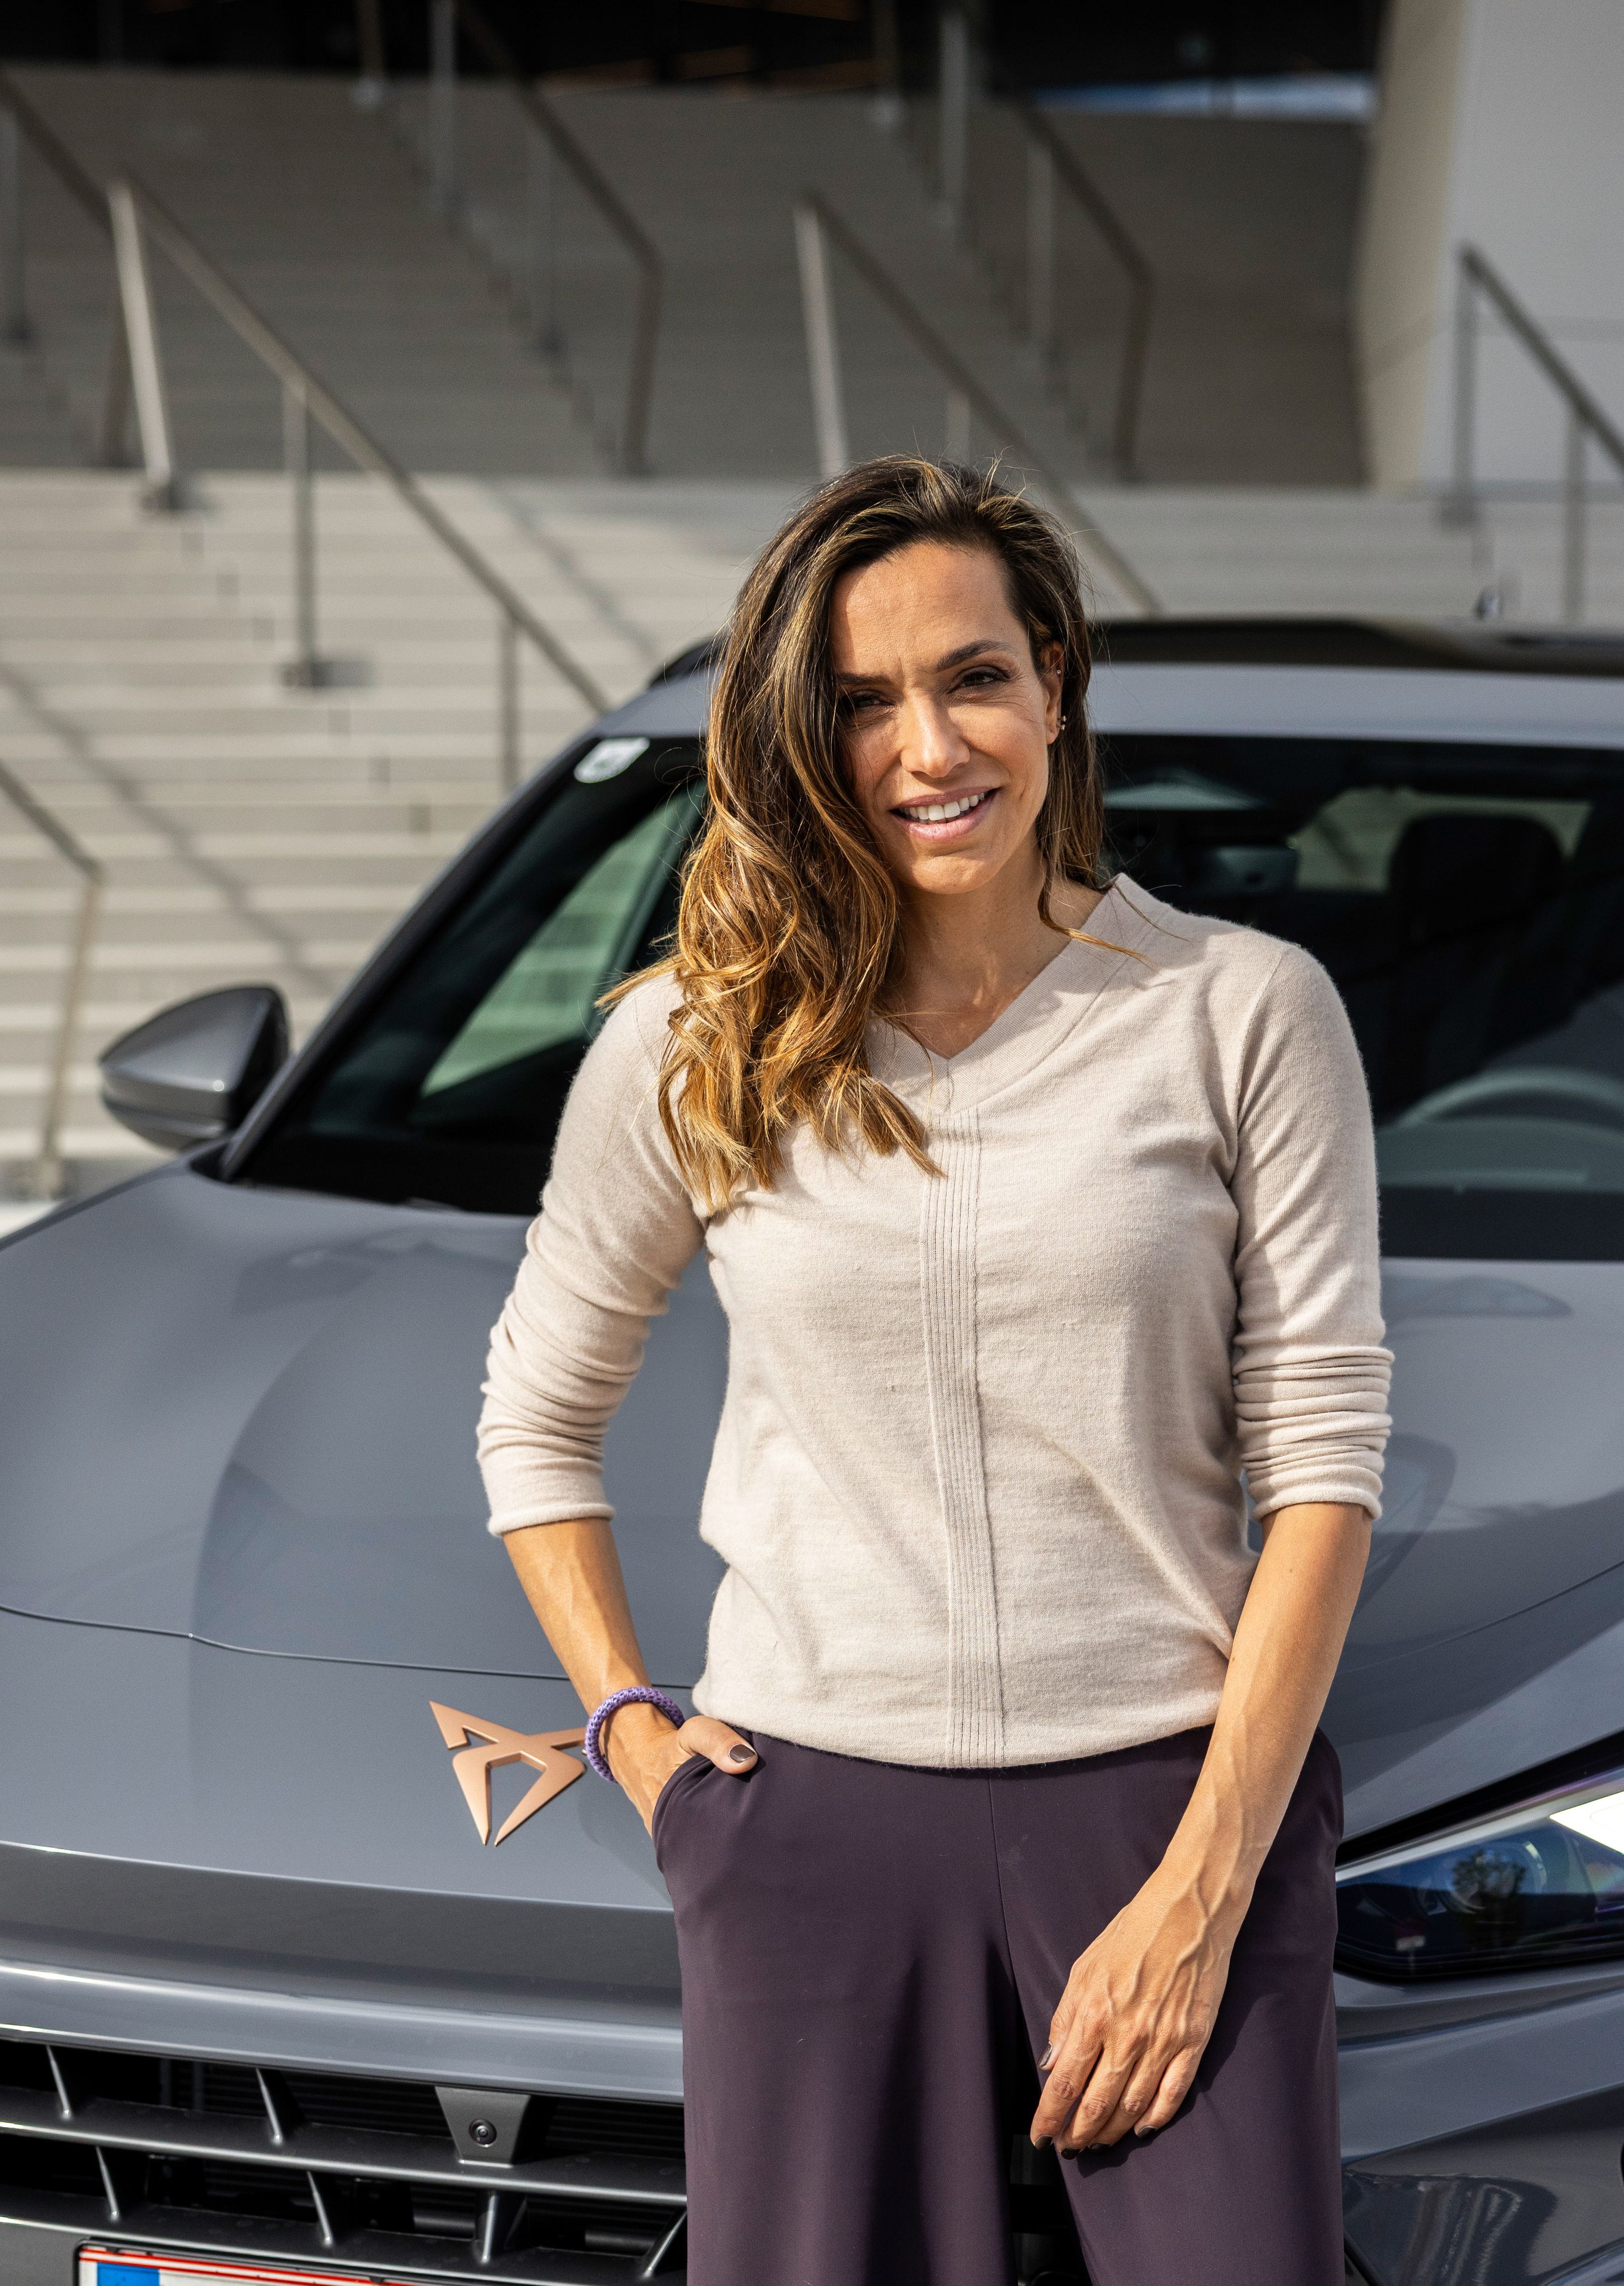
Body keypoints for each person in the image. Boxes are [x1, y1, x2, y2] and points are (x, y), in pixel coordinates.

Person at [477, 455, 1390, 2284]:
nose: (929, 746)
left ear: (1054, 679)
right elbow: (536, 1418)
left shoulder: (1241, 1011)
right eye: (862, 701)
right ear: (798, 736)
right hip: (811, 1819)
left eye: (973, 676)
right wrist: (639, 1743)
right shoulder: (698, 1043)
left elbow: (1322, 1467)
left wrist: (1207, 1886)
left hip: (1167, 1802)